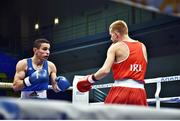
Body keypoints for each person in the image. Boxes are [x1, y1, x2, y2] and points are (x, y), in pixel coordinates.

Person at [77, 20, 148, 106]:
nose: (111, 38)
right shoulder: (142, 46)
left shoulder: (115, 47)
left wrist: (89, 80)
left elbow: (105, 71)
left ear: (116, 34)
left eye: (111, 35)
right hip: (140, 93)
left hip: (121, 91)